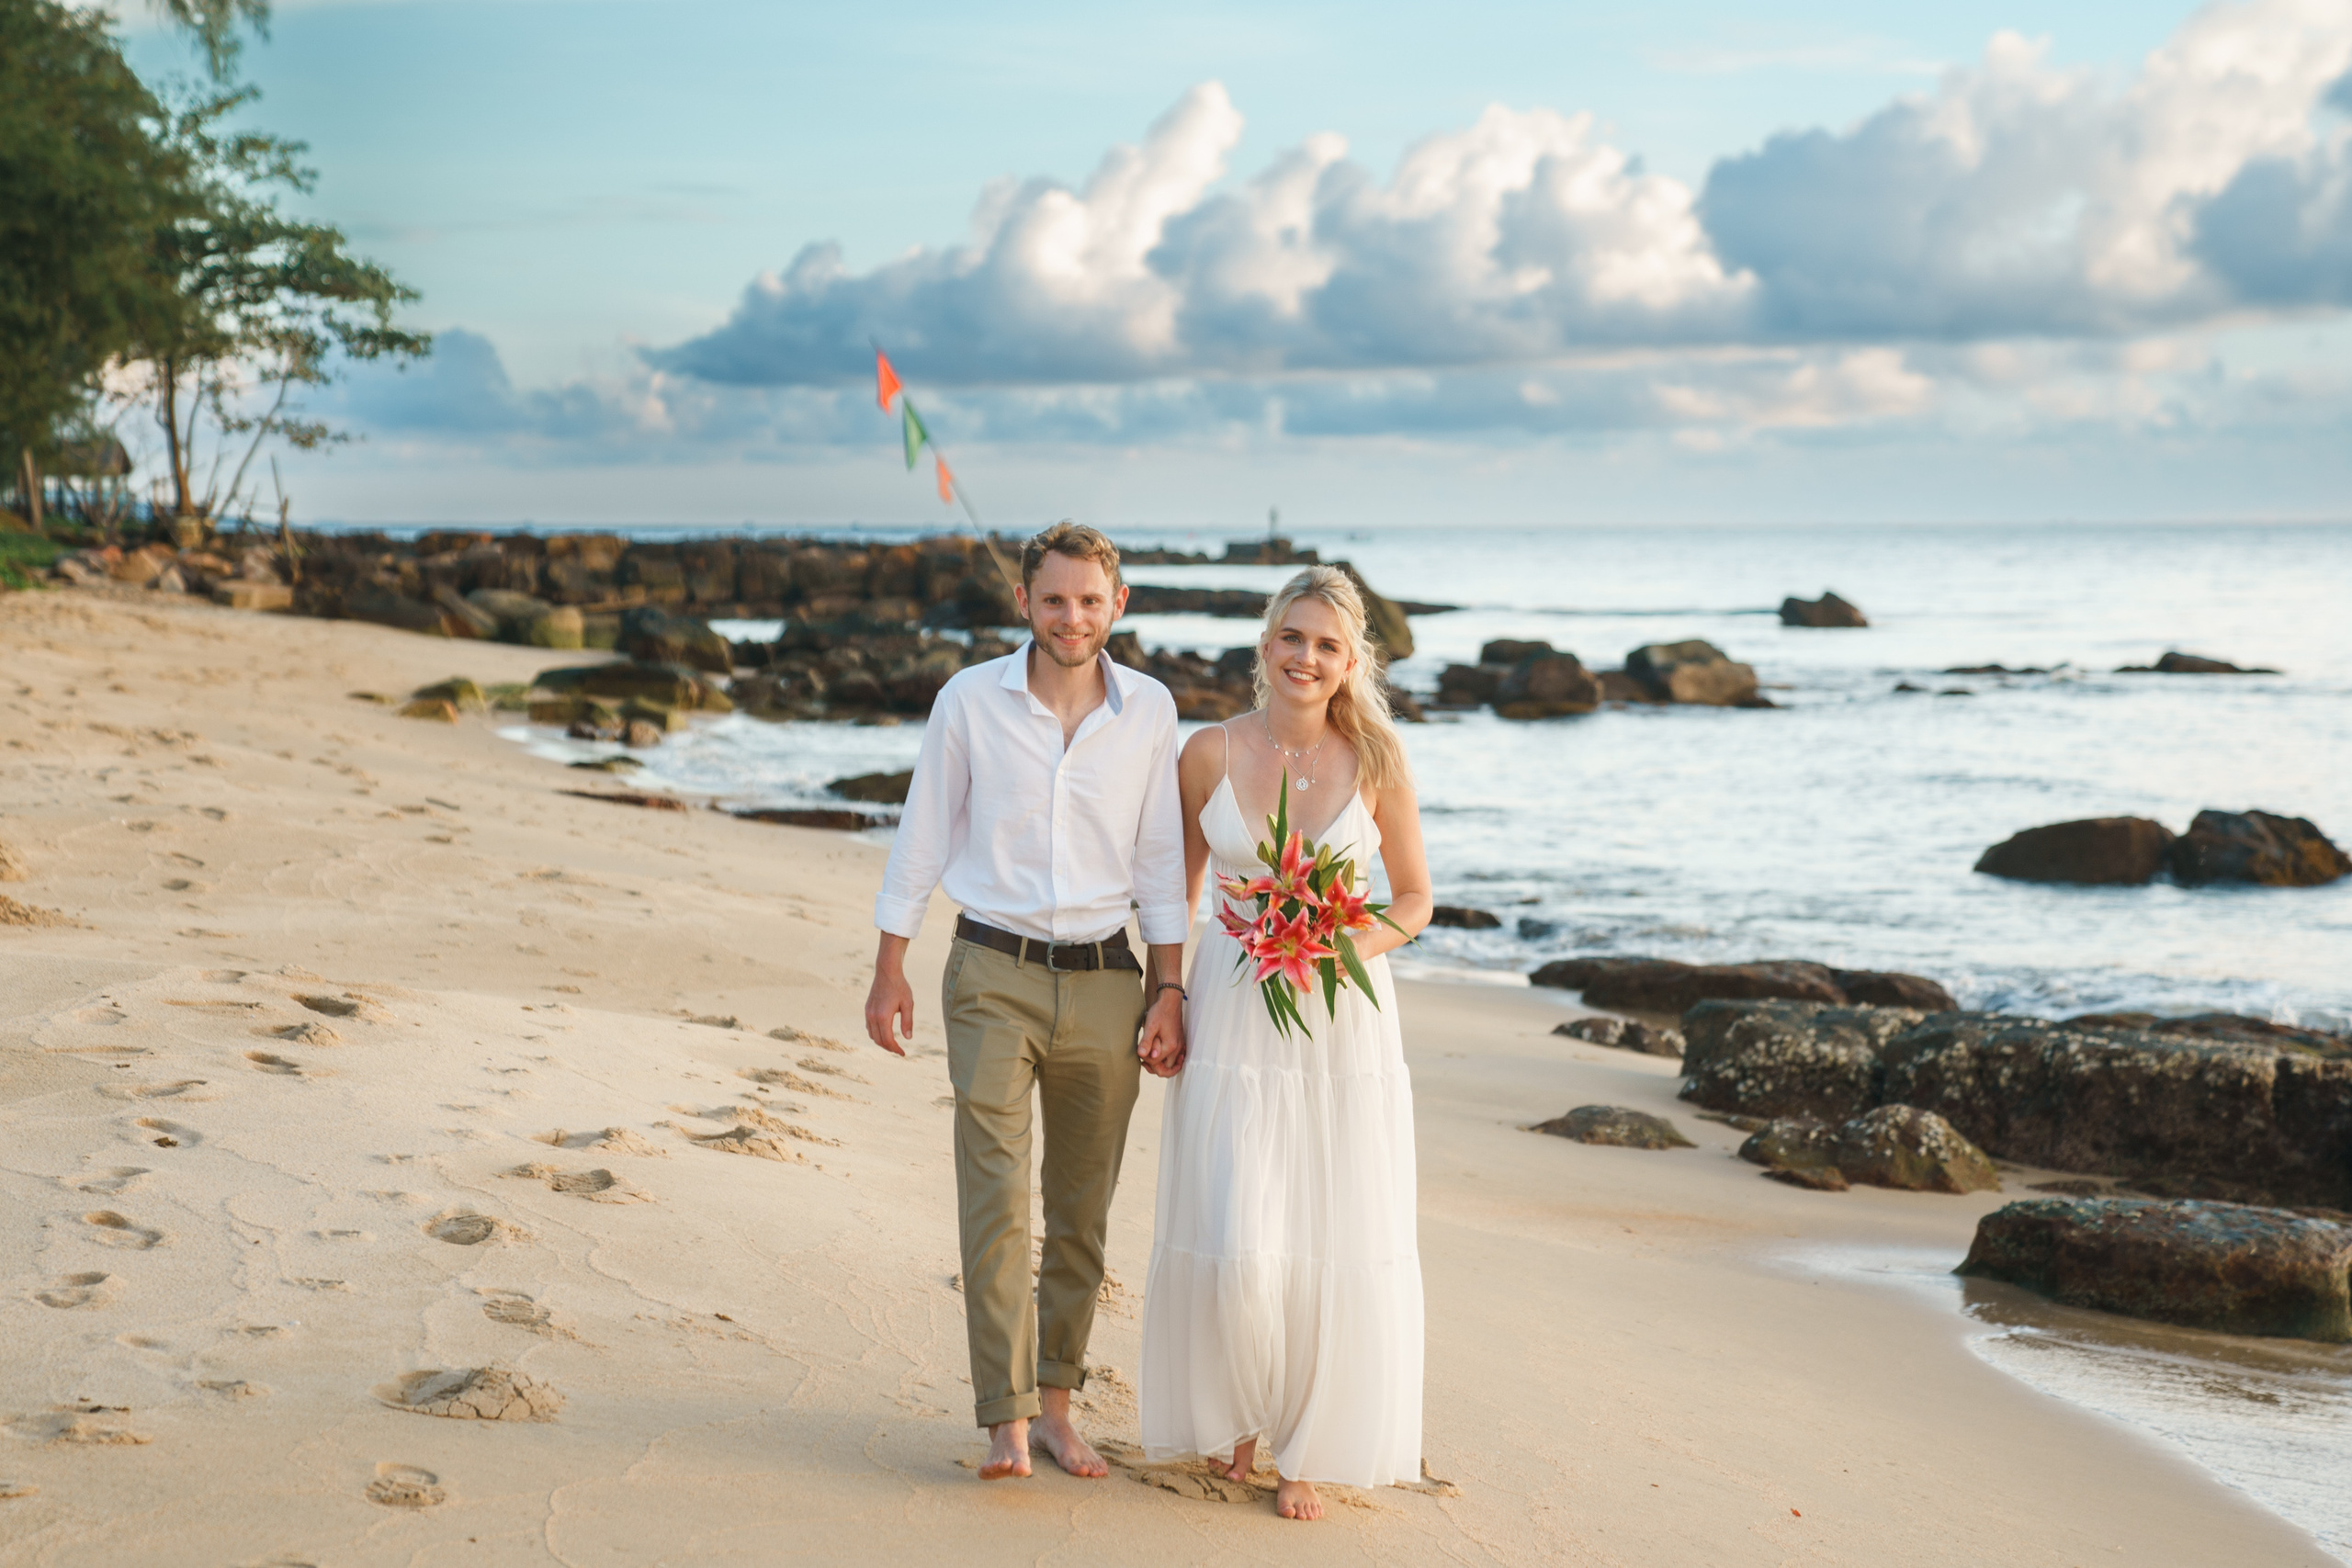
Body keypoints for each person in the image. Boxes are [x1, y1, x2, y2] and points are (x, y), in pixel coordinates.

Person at [865, 520, 1189, 1483]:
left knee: (1082, 1212)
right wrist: (891, 964)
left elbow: (1163, 861)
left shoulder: (1150, 711)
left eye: (1090, 600)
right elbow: (922, 833)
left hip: (1107, 983)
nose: (1072, 616)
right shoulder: (969, 700)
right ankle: (1003, 1421)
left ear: (1117, 606)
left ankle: (1057, 1409)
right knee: (997, 1201)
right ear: (1024, 604)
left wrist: (1169, 986)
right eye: (1054, 599)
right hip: (990, 975)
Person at [1139, 564, 1433, 1521]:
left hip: (1341, 1019)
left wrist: (1355, 936)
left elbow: (1415, 900)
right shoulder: (1208, 754)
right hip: (1229, 1008)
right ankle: (1231, 1419)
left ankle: (1301, 1448)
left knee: (1324, 1226)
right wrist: (1167, 996)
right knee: (1237, 1227)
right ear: (1265, 645)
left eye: (1327, 645)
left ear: (1351, 663)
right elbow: (1173, 897)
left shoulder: (1378, 763)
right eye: (1292, 637)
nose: (1306, 657)